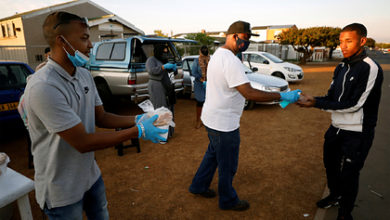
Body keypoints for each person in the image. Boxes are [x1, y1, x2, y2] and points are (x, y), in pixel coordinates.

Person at [23, 11, 167, 220]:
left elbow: (101, 117)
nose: (90, 45)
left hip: (90, 176)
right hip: (61, 188)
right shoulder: (44, 86)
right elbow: (83, 142)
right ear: (61, 41)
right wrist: (138, 131)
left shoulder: (83, 74)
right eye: (84, 38)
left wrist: (139, 118)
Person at [188, 20, 301, 211]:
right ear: (233, 36)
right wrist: (282, 95)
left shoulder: (218, 55)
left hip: (212, 118)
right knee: (228, 164)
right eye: (246, 38)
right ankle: (228, 200)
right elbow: (249, 93)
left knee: (213, 155)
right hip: (224, 124)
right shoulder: (231, 60)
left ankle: (198, 186)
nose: (247, 42)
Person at [297, 23, 383, 220]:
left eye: (348, 41)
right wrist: (310, 99)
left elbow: (355, 104)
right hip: (336, 128)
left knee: (350, 175)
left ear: (362, 41)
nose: (342, 46)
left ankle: (345, 214)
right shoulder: (341, 67)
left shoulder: (370, 68)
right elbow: (331, 96)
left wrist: (316, 103)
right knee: (331, 166)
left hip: (358, 133)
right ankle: (335, 196)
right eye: (340, 42)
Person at [146, 44, 177, 142]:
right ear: (158, 51)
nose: (165, 53)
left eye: (166, 51)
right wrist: (163, 67)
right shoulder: (151, 60)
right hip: (156, 86)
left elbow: (170, 72)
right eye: (164, 51)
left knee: (169, 108)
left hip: (167, 87)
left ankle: (169, 133)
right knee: (161, 109)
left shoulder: (164, 60)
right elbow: (151, 71)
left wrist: (174, 69)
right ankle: (161, 136)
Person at [191, 45, 210, 128]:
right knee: (200, 102)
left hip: (209, 84)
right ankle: (198, 121)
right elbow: (193, 72)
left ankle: (206, 120)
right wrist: (200, 78)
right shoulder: (196, 61)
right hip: (199, 84)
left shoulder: (211, 60)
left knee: (208, 103)